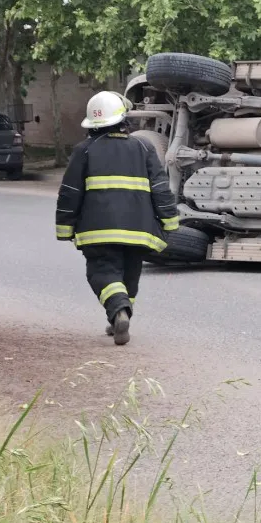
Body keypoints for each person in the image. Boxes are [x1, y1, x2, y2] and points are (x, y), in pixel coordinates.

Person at [55, 90, 180, 345]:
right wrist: (169, 221)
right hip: (139, 231)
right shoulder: (143, 147)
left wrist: (65, 229)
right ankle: (119, 318)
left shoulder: (84, 151)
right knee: (129, 276)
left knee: (101, 271)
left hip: (97, 232)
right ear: (123, 119)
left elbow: (70, 193)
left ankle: (118, 311)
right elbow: (160, 188)